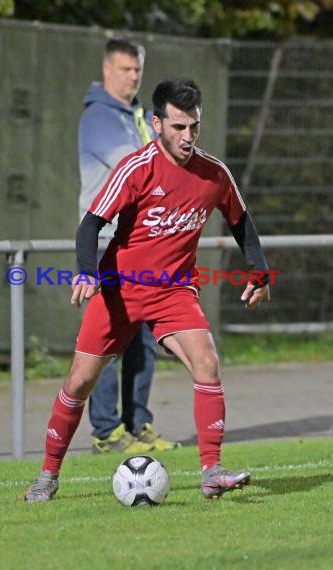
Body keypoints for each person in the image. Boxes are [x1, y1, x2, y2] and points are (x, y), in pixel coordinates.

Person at [24, 78, 270, 503]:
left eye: (194, 126)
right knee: (80, 381)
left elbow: (241, 223)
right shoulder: (136, 169)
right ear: (157, 123)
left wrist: (259, 273)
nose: (188, 137)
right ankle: (47, 475)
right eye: (178, 127)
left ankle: (212, 471)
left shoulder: (214, 174)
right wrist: (86, 273)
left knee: (207, 363)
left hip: (175, 292)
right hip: (119, 291)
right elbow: (91, 225)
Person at [78, 37, 178, 453]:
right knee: (109, 340)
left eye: (137, 69)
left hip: (142, 246)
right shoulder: (99, 116)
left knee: (143, 340)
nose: (133, 76)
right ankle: (107, 432)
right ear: (107, 71)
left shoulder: (139, 115)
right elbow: (134, 167)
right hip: (106, 246)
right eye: (124, 69)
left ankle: (137, 424)